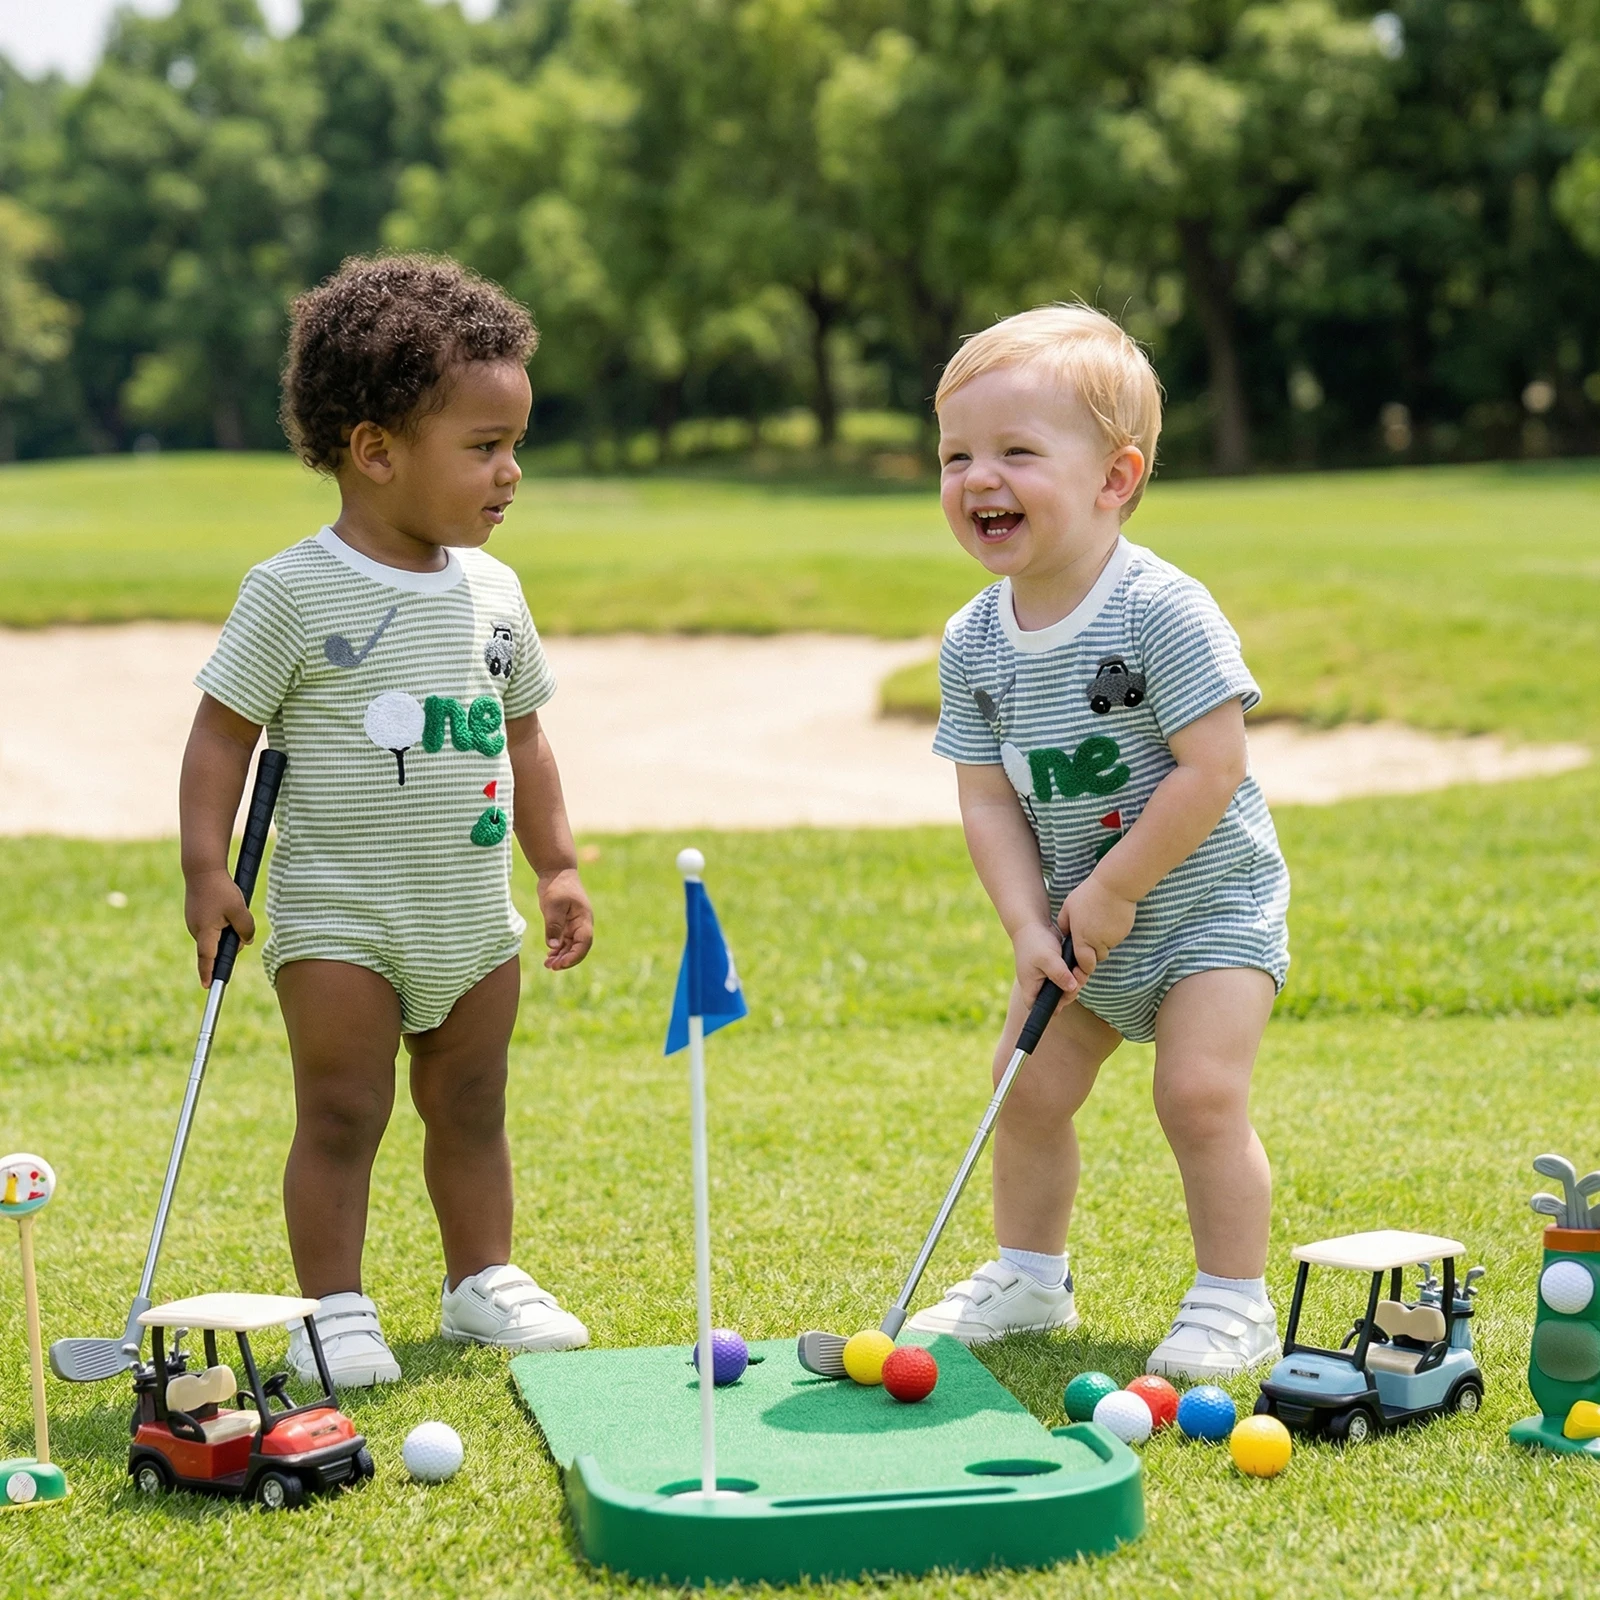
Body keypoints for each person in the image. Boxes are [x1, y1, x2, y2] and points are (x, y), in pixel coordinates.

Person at [179, 256, 594, 1385]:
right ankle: (335, 1306)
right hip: (339, 917)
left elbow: (523, 736)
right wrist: (205, 872)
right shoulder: (293, 591)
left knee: (470, 1102)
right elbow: (224, 734)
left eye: (515, 445)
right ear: (375, 451)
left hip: (469, 913)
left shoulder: (493, 591)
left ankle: (481, 1280)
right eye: (482, 447)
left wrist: (555, 866)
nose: (510, 474)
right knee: (344, 1108)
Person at [908, 305, 1290, 1380]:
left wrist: (1118, 888)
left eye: (1016, 452)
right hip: (1078, 923)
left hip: (1203, 908)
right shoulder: (974, 639)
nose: (979, 477)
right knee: (1021, 1089)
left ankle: (1231, 1299)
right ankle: (1028, 1274)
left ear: (1114, 478)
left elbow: (1215, 767)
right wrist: (1028, 924)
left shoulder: (1159, 610)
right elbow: (986, 800)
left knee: (1198, 1094)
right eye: (956, 455)